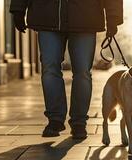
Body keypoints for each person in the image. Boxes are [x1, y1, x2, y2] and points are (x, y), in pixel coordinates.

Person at [10, 0, 123, 138]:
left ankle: (79, 122)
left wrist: (113, 17)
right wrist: (18, 9)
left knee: (83, 72)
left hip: (85, 18)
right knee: (49, 69)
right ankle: (55, 120)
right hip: (47, 16)